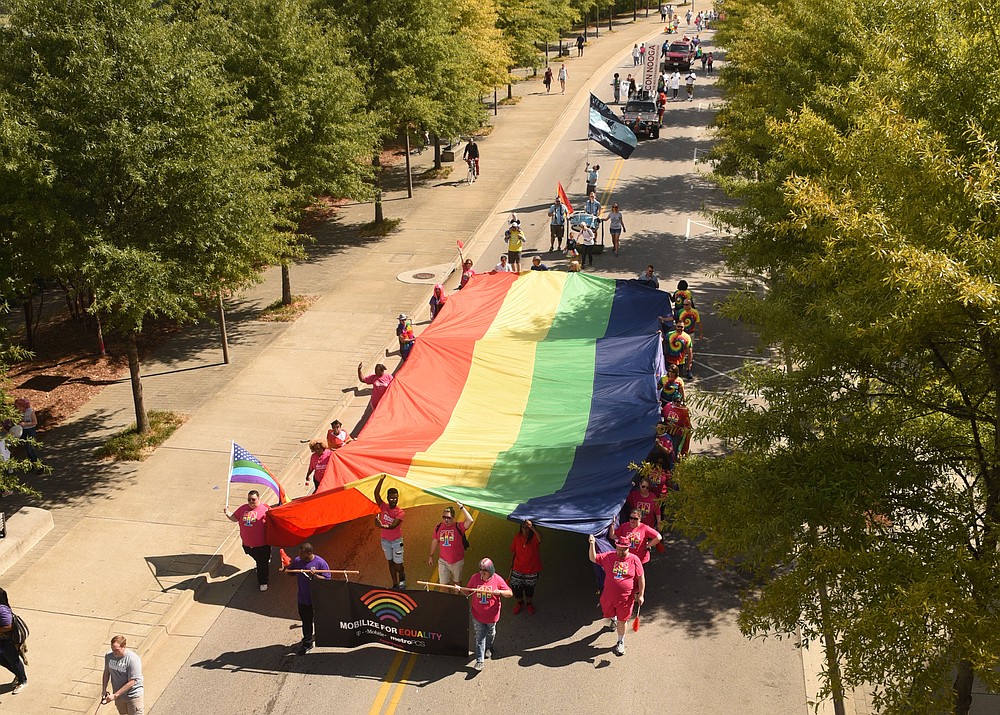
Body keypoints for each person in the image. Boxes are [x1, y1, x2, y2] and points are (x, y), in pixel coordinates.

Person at [588, 534, 644, 656]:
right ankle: (613, 619)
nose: (620, 551)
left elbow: (641, 578)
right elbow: (593, 558)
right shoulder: (609, 556)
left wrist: (641, 594)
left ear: (629, 548)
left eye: (623, 549)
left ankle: (620, 642)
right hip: (608, 597)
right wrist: (592, 543)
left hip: (625, 599)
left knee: (622, 620)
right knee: (609, 613)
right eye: (618, 548)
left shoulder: (634, 560)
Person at [461, 558, 513, 671]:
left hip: (491, 616)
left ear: (491, 570)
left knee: (491, 633)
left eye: (484, 570)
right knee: (480, 637)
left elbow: (510, 593)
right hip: (477, 615)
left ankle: (489, 647)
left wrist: (500, 592)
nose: (482, 572)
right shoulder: (475, 578)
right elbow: (468, 591)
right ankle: (479, 661)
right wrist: (460, 589)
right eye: (480, 569)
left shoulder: (497, 579)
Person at [282, 543, 331, 655]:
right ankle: (307, 643)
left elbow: (327, 579)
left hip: (317, 599)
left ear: (309, 553)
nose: (299, 555)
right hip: (303, 599)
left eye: (302, 553)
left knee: (321, 620)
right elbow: (291, 573)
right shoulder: (298, 560)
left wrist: (315, 576)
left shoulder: (320, 563)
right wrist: (285, 569)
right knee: (306, 622)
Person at [224, 490, 271, 591]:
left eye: (253, 499)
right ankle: (263, 564)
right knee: (260, 561)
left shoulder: (265, 509)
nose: (251, 501)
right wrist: (227, 513)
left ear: (259, 499)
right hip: (247, 545)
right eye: (249, 499)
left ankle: (263, 582)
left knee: (262, 564)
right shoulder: (243, 508)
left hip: (262, 545)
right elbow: (235, 518)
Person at [428, 502, 474, 586]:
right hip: (443, 561)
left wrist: (461, 507)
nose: (446, 520)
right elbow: (434, 541)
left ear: (453, 518)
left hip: (457, 561)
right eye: (444, 517)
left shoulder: (459, 526)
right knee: (443, 585)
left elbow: (470, 520)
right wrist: (431, 555)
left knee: (457, 584)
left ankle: (456, 598)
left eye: (448, 517)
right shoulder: (438, 527)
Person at [374, 476, 406, 589]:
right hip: (385, 541)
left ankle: (402, 576)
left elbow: (393, 526)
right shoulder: (383, 506)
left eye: (395, 498)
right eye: (391, 498)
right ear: (387, 498)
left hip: (397, 541)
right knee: (390, 562)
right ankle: (395, 583)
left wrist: (381, 525)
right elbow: (376, 493)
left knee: (398, 565)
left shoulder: (400, 512)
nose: (394, 500)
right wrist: (381, 480)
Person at [101, 636, 142, 713]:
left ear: (124, 647)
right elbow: (106, 672)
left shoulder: (133, 659)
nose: (114, 652)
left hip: (133, 696)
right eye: (112, 649)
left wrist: (115, 695)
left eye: (116, 650)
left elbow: (132, 681)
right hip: (119, 696)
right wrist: (104, 690)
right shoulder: (109, 656)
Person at [509, 520, 541, 615]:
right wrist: (511, 562)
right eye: (523, 527)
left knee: (529, 588)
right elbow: (514, 551)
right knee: (516, 588)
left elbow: (540, 538)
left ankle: (529, 603)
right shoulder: (517, 537)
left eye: (527, 528)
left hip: (532, 569)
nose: (524, 529)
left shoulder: (534, 537)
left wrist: (532, 527)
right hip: (518, 567)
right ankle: (520, 602)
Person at [0, 588, 26, 695]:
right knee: (1, 659)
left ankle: (22, 681)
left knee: (13, 660)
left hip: (6, 639)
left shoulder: (1, 609)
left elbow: (8, 626)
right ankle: (18, 674)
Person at [14, 398, 38, 467]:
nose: (16, 408)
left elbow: (35, 422)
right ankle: (32, 464)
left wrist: (25, 424)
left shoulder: (30, 411)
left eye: (17, 406)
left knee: (30, 448)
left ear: (22, 406)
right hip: (24, 431)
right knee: (27, 449)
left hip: (31, 431)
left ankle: (38, 465)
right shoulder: (19, 412)